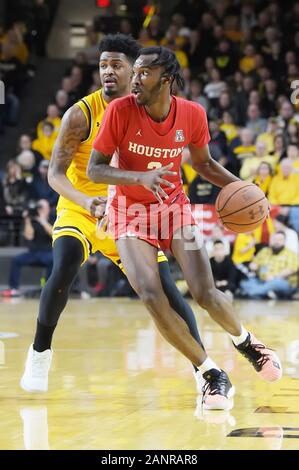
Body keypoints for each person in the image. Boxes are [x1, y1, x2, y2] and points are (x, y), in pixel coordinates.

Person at [88, 46, 282, 410]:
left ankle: (248, 344)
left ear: (167, 79)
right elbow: (95, 169)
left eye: (144, 73)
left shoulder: (192, 114)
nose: (135, 79)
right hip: (129, 211)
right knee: (150, 294)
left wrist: (247, 190)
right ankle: (210, 373)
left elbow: (204, 164)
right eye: (135, 72)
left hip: (174, 209)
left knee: (204, 292)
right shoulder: (119, 110)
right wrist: (139, 177)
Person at [20, 35, 205, 397]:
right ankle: (40, 351)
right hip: (81, 206)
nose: (108, 71)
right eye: (103, 64)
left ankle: (204, 369)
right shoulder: (81, 113)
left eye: (117, 65)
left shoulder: (148, 110)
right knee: (66, 263)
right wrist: (86, 202)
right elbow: (55, 174)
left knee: (168, 292)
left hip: (129, 211)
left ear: (136, 70)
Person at [1, 199, 53, 297]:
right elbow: (29, 236)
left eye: (42, 207)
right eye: (39, 207)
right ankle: (14, 288)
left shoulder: (52, 219)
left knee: (53, 260)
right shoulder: (32, 221)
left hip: (47, 252)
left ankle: (48, 289)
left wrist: (43, 221)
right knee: (16, 260)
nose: (40, 209)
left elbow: (53, 234)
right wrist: (27, 220)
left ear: (48, 209)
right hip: (33, 253)